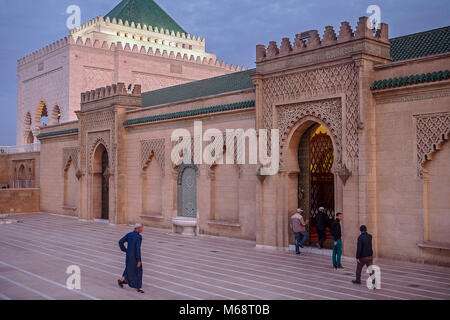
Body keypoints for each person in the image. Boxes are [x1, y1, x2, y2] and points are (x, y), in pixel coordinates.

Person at [118, 222, 144, 293]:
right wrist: (139, 260)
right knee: (138, 271)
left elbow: (120, 242)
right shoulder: (139, 237)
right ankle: (136, 288)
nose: (142, 229)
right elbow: (137, 249)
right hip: (135, 257)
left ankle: (121, 280)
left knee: (128, 268)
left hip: (128, 255)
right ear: (138, 228)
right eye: (142, 228)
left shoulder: (129, 234)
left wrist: (125, 250)